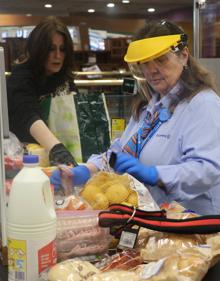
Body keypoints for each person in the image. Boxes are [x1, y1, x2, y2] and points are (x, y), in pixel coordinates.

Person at [51, 19, 220, 215]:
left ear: (183, 56)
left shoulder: (204, 104)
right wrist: (87, 170)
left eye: (161, 59)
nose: (151, 70)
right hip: (157, 220)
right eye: (145, 63)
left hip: (199, 227)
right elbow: (120, 152)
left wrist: (155, 174)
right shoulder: (149, 108)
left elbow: (206, 169)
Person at [7, 16, 78, 166]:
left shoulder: (64, 77)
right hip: (28, 158)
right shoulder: (21, 76)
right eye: (51, 49)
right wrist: (57, 148)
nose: (58, 56)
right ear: (38, 49)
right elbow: (28, 114)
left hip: (66, 154)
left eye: (62, 49)